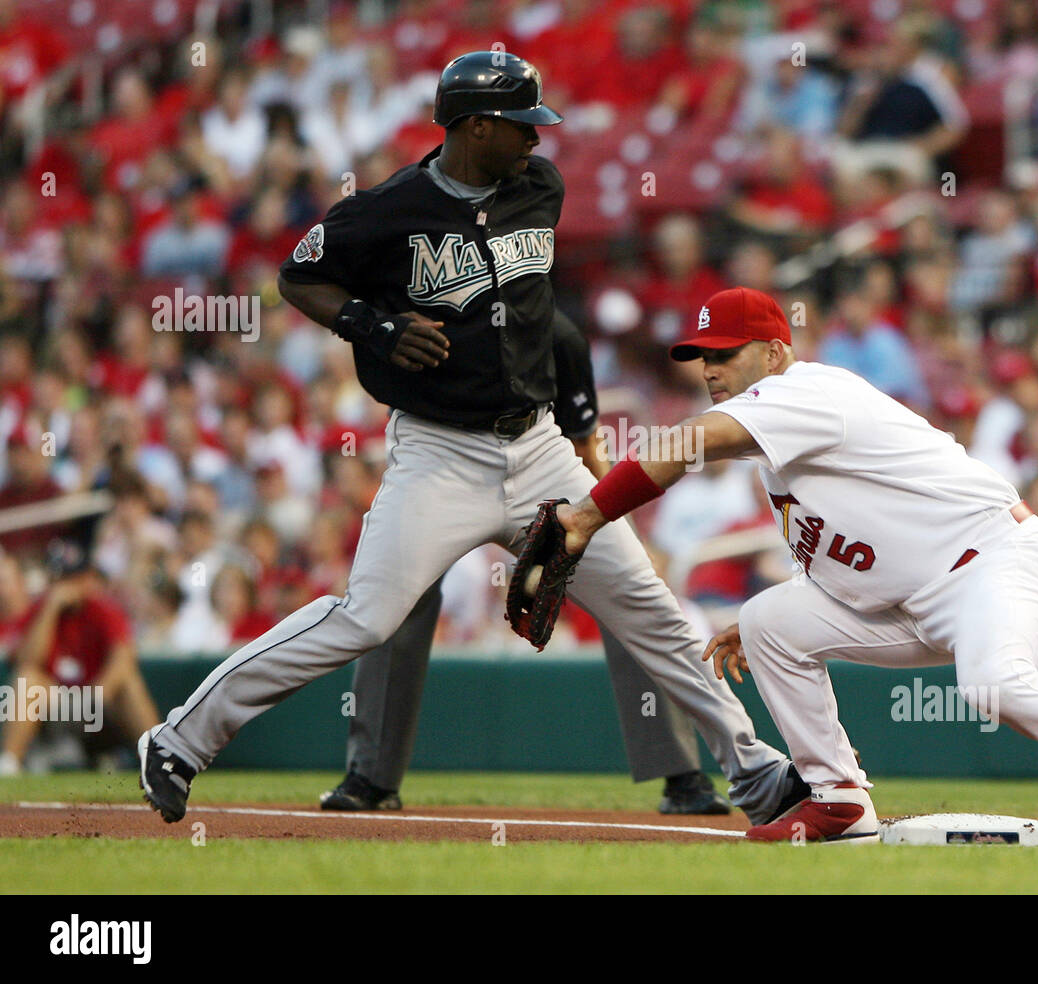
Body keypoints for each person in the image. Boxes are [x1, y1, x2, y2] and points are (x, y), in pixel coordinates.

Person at [137, 52, 803, 828]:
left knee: (648, 610)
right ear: (476, 125)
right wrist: (373, 326)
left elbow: (531, 314)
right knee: (365, 618)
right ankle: (180, 737)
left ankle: (754, 775)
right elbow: (298, 275)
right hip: (440, 454)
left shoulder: (540, 188)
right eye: (522, 125)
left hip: (539, 447)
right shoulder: (385, 210)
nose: (536, 139)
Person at [552, 286, 1038, 846]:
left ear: (776, 353)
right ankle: (839, 798)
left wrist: (587, 515)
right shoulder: (777, 449)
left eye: (726, 353)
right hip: (914, 598)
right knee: (767, 620)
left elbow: (690, 441)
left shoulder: (806, 391)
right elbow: (846, 555)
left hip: (994, 563)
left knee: (993, 683)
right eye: (701, 356)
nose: (710, 367)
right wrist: (765, 630)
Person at [320, 312, 728, 816]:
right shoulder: (425, 320)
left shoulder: (560, 336)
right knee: (397, 597)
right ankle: (372, 775)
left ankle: (682, 773)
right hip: (444, 472)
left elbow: (583, 442)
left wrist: (616, 525)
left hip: (543, 472)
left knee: (625, 586)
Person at [1, 540, 160, 776]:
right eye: (66, 579)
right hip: (57, 706)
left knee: (128, 681)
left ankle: (161, 758)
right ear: (54, 581)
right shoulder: (39, 611)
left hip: (98, 701)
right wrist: (51, 609)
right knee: (29, 679)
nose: (74, 586)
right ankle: (9, 764)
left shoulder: (104, 609)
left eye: (79, 577)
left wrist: (97, 694)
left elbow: (124, 657)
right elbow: (28, 661)